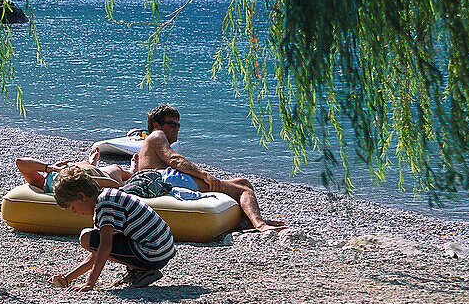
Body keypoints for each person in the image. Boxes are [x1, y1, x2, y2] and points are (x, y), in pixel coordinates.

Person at [135, 103, 286, 232]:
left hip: (165, 177)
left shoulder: (151, 142)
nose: (177, 129)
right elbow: (174, 159)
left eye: (178, 125)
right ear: (156, 125)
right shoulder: (157, 135)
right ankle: (260, 225)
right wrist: (204, 174)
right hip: (165, 178)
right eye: (172, 124)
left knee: (244, 181)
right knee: (243, 190)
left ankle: (251, 220)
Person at [49, 166, 174, 290]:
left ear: (82, 196)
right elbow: (96, 251)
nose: (74, 212)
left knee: (86, 237)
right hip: (161, 252)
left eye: (72, 207)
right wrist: (67, 278)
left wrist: (90, 283)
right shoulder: (105, 197)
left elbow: (105, 246)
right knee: (90, 238)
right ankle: (140, 270)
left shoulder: (105, 205)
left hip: (153, 254)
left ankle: (143, 270)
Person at [15, 154, 134, 193]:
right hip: (98, 174)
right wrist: (88, 178)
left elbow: (20, 162)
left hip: (76, 169)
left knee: (80, 165)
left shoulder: (43, 179)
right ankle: (133, 170)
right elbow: (113, 184)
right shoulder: (70, 184)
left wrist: (50, 168)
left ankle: (91, 162)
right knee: (116, 168)